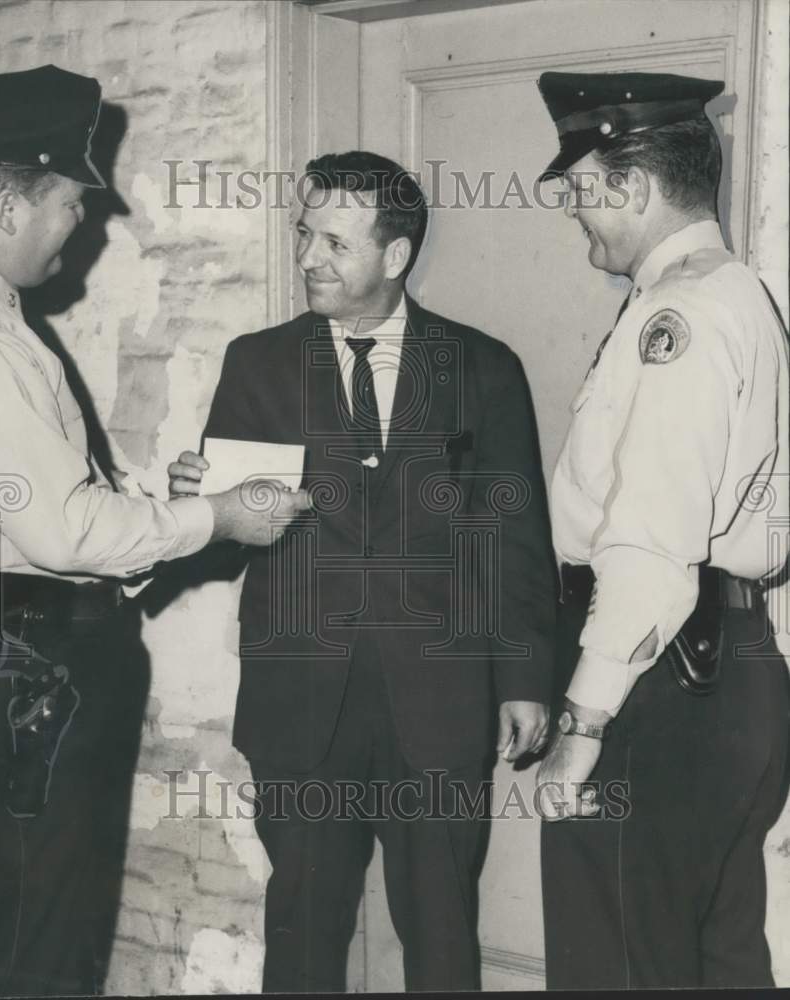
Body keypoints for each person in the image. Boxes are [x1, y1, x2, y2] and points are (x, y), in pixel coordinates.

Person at [0, 65, 307, 997]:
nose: (85, 222)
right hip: (17, 669)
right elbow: (61, 534)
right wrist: (217, 516)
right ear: (5, 205)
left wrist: (160, 504)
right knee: (39, 932)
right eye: (71, 202)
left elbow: (12, 503)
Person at [169, 150, 557, 992]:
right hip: (300, 702)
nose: (309, 258)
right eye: (304, 235)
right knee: (302, 928)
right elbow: (230, 535)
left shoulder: (484, 368)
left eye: (335, 244)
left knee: (443, 931)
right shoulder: (256, 362)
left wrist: (525, 677)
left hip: (440, 701)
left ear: (396, 255)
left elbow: (515, 538)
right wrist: (194, 502)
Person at [533, 70, 790, 989]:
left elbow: (649, 551)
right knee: (718, 958)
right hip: (729, 670)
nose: (576, 213)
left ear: (635, 186)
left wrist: (584, 722)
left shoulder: (675, 317)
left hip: (660, 685)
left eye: (584, 191)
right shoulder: (741, 296)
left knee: (620, 963)